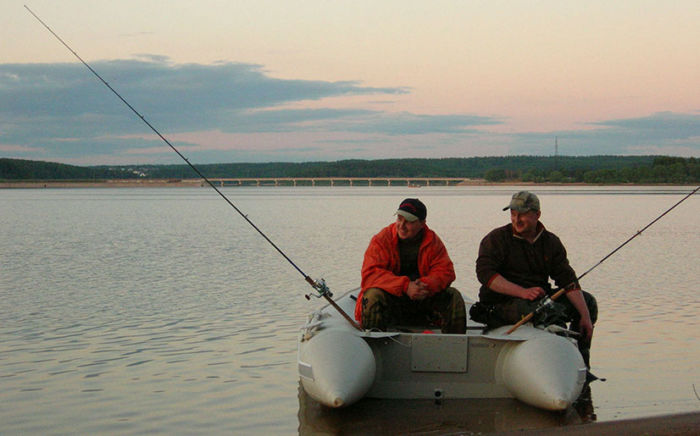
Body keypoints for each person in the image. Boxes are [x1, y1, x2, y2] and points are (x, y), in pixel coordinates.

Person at [474, 191, 597, 367]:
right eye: (513, 215)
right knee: (547, 310)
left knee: (588, 302)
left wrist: (585, 316)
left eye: (522, 215)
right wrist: (522, 292)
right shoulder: (496, 239)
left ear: (537, 215)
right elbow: (485, 275)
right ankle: (558, 360)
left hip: (538, 299)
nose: (517, 220)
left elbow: (567, 280)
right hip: (499, 303)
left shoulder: (551, 242)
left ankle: (581, 363)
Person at [355, 198, 466, 334]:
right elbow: (370, 274)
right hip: (393, 299)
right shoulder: (382, 239)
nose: (402, 225)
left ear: (422, 223)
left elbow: (446, 272)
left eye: (409, 221)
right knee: (372, 296)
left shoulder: (433, 241)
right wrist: (406, 286)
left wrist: (425, 285)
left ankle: (454, 346)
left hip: (422, 298)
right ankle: (374, 343)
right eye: (399, 219)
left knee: (453, 296)